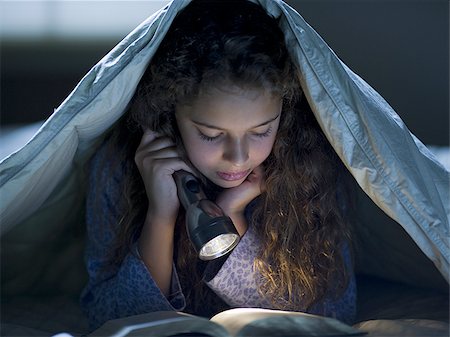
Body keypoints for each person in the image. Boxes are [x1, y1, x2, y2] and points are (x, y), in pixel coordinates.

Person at [80, 0, 356, 331]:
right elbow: (105, 315)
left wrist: (232, 219)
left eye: (261, 131)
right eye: (211, 135)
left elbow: (334, 311)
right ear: (171, 115)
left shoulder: (308, 166)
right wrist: (160, 216)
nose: (239, 158)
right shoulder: (117, 168)